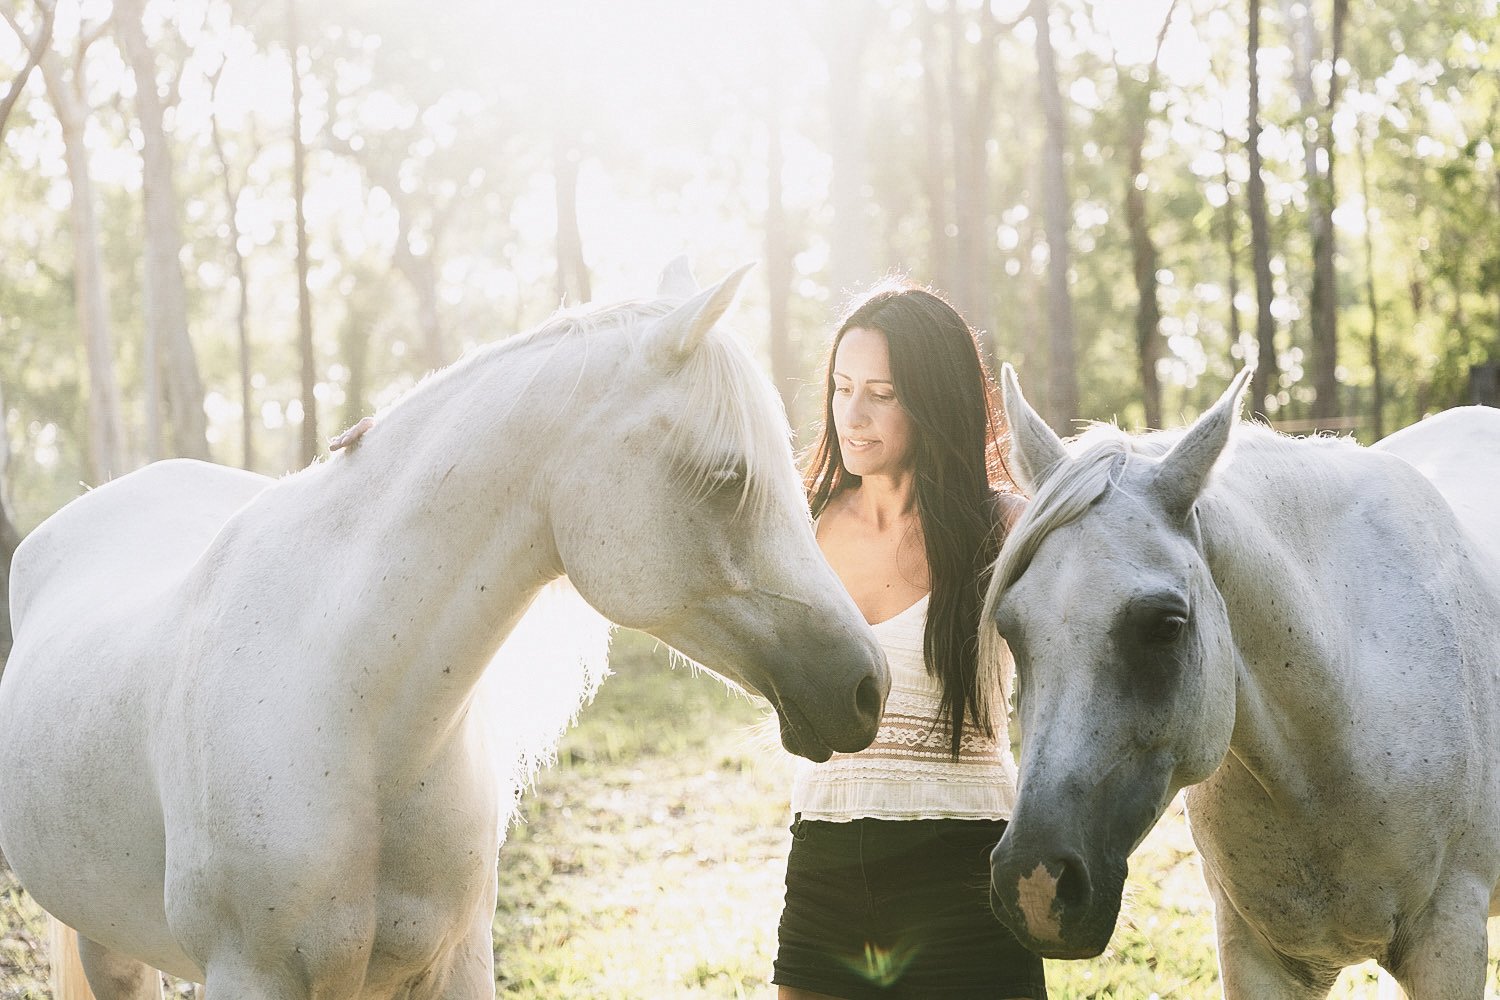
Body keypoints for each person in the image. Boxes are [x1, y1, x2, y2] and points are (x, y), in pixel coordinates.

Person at [772, 284, 1045, 1000]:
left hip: (964, 861)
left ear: (932, 399)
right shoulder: (803, 528)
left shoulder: (1007, 531)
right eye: (841, 387)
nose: (852, 415)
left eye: (881, 394)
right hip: (826, 858)